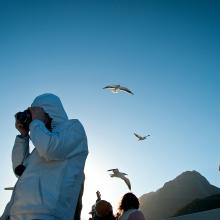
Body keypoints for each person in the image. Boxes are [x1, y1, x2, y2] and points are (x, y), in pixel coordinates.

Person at [0, 93, 88, 220]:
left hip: (45, 215)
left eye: (34, 112)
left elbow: (49, 149)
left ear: (49, 111)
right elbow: (19, 170)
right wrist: (23, 136)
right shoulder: (40, 145)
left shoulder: (73, 128)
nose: (32, 118)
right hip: (14, 215)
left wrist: (36, 122)